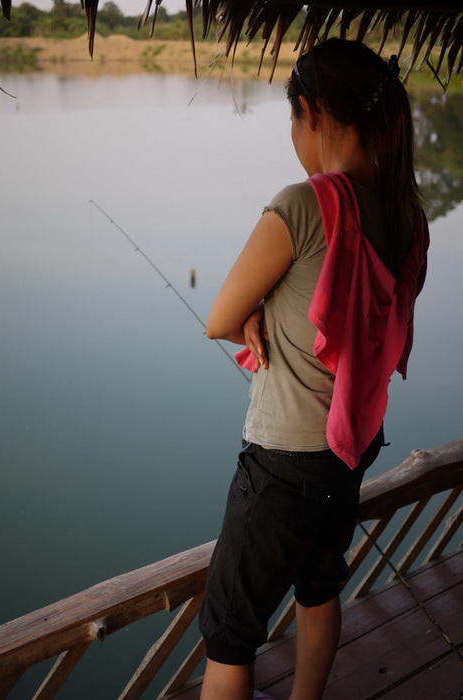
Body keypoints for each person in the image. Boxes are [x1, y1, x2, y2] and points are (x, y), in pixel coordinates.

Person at [198, 38, 429, 700]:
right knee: (319, 587)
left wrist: (251, 308)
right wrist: (267, 303)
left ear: (312, 113)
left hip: (280, 462)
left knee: (230, 632)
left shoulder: (305, 204)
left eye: (293, 121)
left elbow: (217, 317)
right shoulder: (406, 214)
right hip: (348, 450)